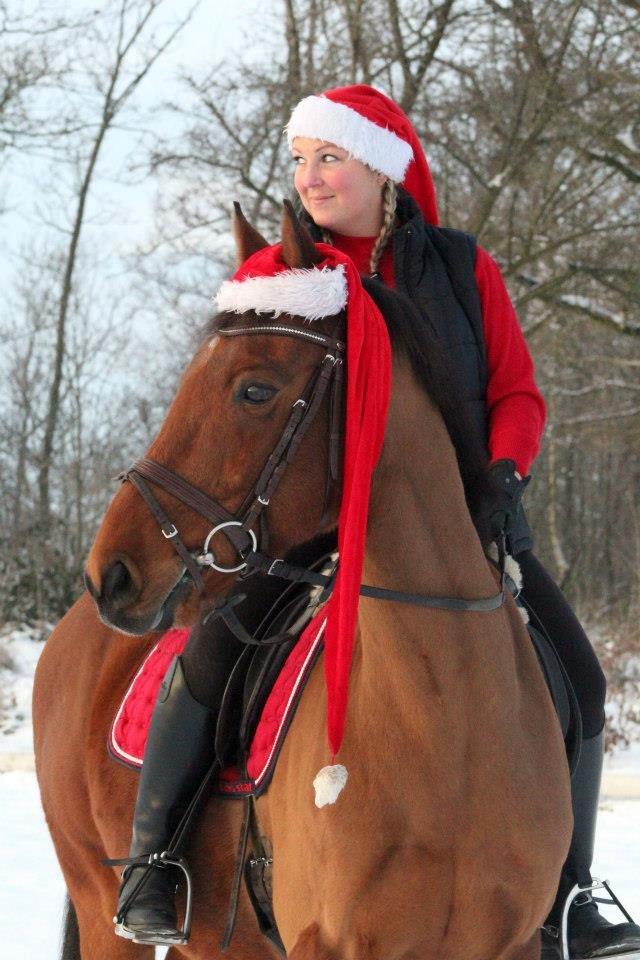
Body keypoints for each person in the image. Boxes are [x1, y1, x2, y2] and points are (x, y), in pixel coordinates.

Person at [114, 84, 640, 960]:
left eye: (330, 157)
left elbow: (517, 391)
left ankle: (571, 893)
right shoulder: (282, 276)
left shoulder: (463, 269)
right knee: (211, 653)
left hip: (467, 524)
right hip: (311, 532)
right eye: (300, 160)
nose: (310, 177)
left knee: (580, 679)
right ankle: (156, 862)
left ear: (383, 169)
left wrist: (504, 474)